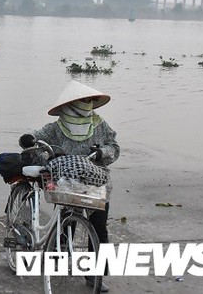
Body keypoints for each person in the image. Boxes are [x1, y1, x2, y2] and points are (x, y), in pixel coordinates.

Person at [18, 80, 118, 293]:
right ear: (71, 103)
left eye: (90, 100)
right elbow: (37, 138)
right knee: (65, 224)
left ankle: (95, 275)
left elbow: (114, 147)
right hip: (67, 182)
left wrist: (102, 153)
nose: (87, 104)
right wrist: (29, 141)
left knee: (99, 229)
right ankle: (58, 260)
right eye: (83, 100)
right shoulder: (55, 128)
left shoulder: (99, 125)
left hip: (96, 182)